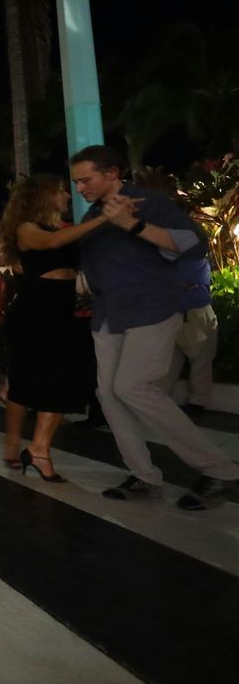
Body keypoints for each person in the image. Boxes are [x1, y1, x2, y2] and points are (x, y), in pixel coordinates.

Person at [71, 144, 239, 509]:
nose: (80, 188)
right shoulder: (92, 216)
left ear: (112, 173)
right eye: (77, 182)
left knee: (133, 387)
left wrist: (132, 225)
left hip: (151, 308)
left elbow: (194, 243)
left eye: (86, 180)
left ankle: (221, 470)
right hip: (108, 314)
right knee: (110, 395)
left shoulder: (147, 202)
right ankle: (144, 477)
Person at [0, 176, 107, 479]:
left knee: (67, 378)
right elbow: (52, 243)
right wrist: (103, 218)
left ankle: (39, 449)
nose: (67, 196)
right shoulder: (27, 229)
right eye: (59, 190)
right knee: (25, 380)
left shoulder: (67, 227)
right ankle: (14, 442)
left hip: (63, 309)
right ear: (42, 197)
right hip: (33, 311)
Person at [164, 256, 216, 415]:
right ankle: (196, 402)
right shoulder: (193, 255)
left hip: (187, 310)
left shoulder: (191, 258)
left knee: (196, 356)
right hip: (186, 310)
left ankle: (196, 402)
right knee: (195, 357)